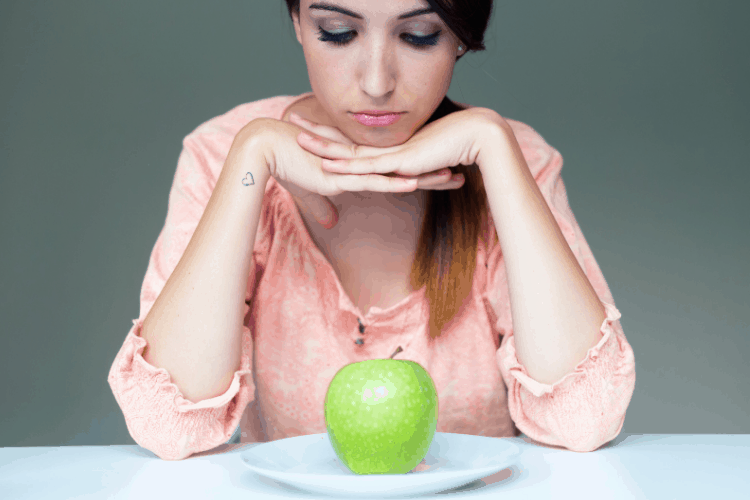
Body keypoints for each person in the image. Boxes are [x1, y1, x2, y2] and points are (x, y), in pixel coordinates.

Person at [108, 0, 636, 461]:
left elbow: (582, 419)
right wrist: (254, 156)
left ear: (459, 37)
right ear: (297, 19)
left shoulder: (516, 163)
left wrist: (493, 145)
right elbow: (170, 427)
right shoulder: (223, 154)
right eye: (338, 32)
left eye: (419, 36)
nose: (377, 82)